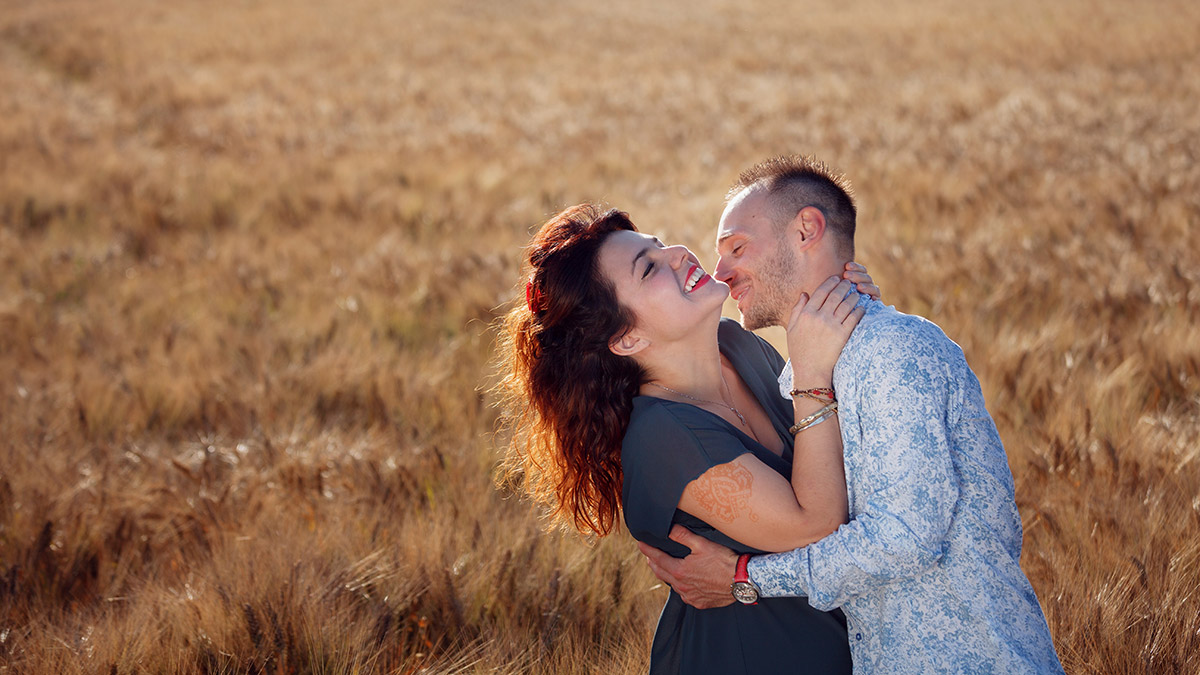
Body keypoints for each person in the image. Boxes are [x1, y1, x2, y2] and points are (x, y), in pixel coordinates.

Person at [638, 155, 1065, 673]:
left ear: (806, 230)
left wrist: (743, 579)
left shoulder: (894, 351)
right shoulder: (814, 370)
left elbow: (906, 534)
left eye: (737, 248)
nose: (721, 275)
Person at [494, 203, 883, 673]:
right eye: (648, 268)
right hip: (753, 657)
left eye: (659, 245)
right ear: (627, 339)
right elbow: (816, 524)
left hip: (842, 642)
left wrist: (857, 324)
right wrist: (814, 373)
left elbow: (846, 455)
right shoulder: (664, 437)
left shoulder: (739, 347)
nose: (677, 253)